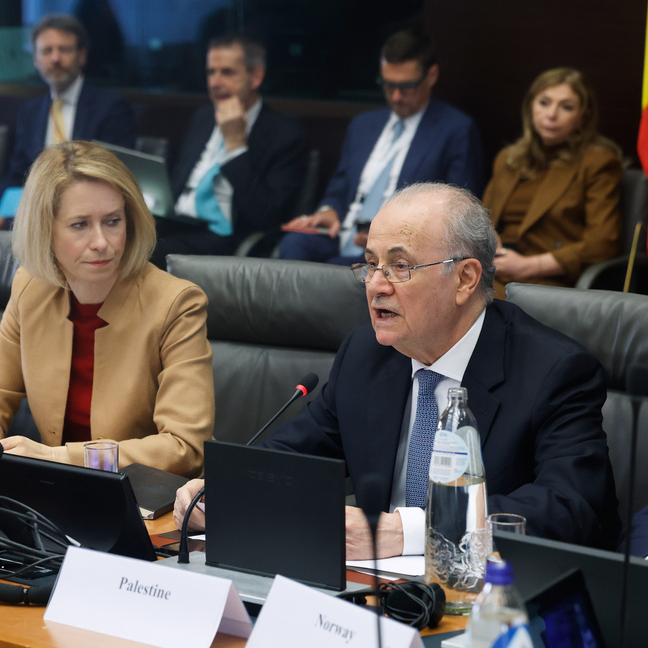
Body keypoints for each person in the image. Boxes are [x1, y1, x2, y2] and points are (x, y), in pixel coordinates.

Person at [175, 182, 620, 558]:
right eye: (370, 264)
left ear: (465, 279)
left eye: (400, 266)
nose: (375, 285)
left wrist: (409, 533)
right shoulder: (368, 354)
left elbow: (570, 509)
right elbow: (294, 456)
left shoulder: (553, 371)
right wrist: (228, 490)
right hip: (372, 594)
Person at [0, 140, 214, 478]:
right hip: (54, 495)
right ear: (45, 231)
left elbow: (186, 447)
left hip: (144, 503)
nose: (101, 242)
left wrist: (58, 459)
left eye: (113, 221)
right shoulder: (31, 287)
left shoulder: (176, 303)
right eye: (80, 224)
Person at [278, 28, 484, 264]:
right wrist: (329, 210)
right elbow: (340, 186)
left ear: (432, 75)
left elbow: (457, 215)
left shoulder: (455, 130)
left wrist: (387, 235)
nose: (396, 96)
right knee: (294, 244)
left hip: (398, 250)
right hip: (342, 233)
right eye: (388, 86)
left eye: (406, 87)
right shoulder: (364, 124)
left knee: (332, 273)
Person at [0, 13, 136, 231]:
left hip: (88, 216)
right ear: (35, 59)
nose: (55, 58)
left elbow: (113, 177)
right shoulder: (30, 111)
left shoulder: (111, 108)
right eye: (47, 51)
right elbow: (17, 172)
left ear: (82, 56)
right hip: (36, 217)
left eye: (64, 49)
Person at [156, 33, 307, 261]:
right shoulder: (203, 118)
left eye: (227, 72)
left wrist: (235, 147)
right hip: (178, 222)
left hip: (224, 237)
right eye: (210, 72)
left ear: (256, 77)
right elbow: (177, 184)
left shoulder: (284, 135)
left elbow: (266, 216)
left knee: (141, 254)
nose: (215, 82)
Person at [483, 68, 623, 298]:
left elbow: (603, 243)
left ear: (583, 117)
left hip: (544, 280)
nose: (551, 114)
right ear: (530, 106)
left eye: (566, 107)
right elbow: (482, 216)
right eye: (544, 103)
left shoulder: (597, 162)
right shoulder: (508, 158)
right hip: (493, 269)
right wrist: (488, 237)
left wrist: (530, 265)